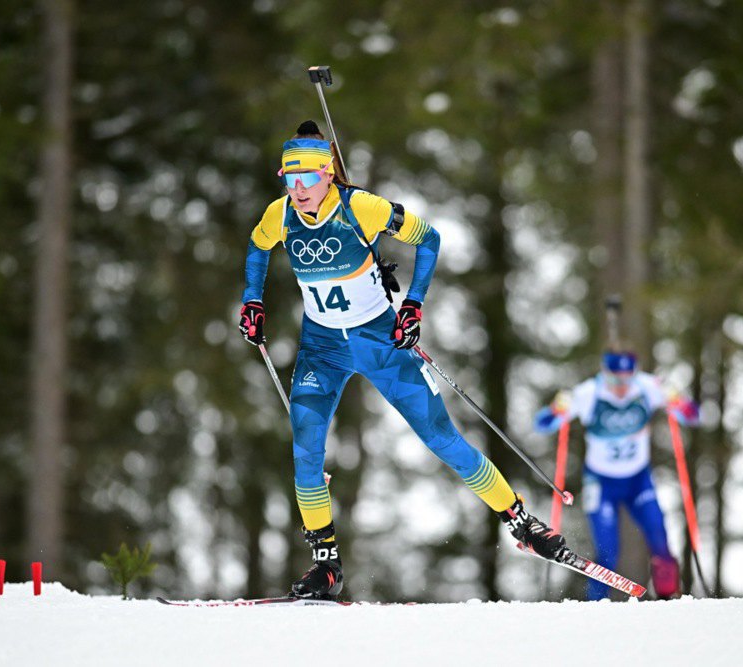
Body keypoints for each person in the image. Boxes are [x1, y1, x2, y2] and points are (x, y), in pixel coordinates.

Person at [238, 120, 566, 600]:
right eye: (290, 179)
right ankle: (326, 565)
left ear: (328, 173)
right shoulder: (280, 214)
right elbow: (257, 246)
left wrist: (413, 304)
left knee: (441, 438)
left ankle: (520, 521)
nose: (299, 189)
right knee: (305, 454)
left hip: (380, 344)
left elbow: (428, 238)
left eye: (307, 178)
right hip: (321, 349)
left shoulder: (362, 208)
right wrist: (253, 300)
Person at [534, 350, 694, 600]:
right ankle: (597, 606)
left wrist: (678, 401)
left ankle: (668, 598)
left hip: (637, 479)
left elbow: (691, 415)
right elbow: (543, 424)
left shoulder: (647, 387)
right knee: (607, 551)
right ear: (604, 375)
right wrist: (557, 408)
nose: (621, 387)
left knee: (659, 539)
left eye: (626, 380)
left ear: (635, 375)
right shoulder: (589, 393)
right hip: (601, 482)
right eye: (614, 381)